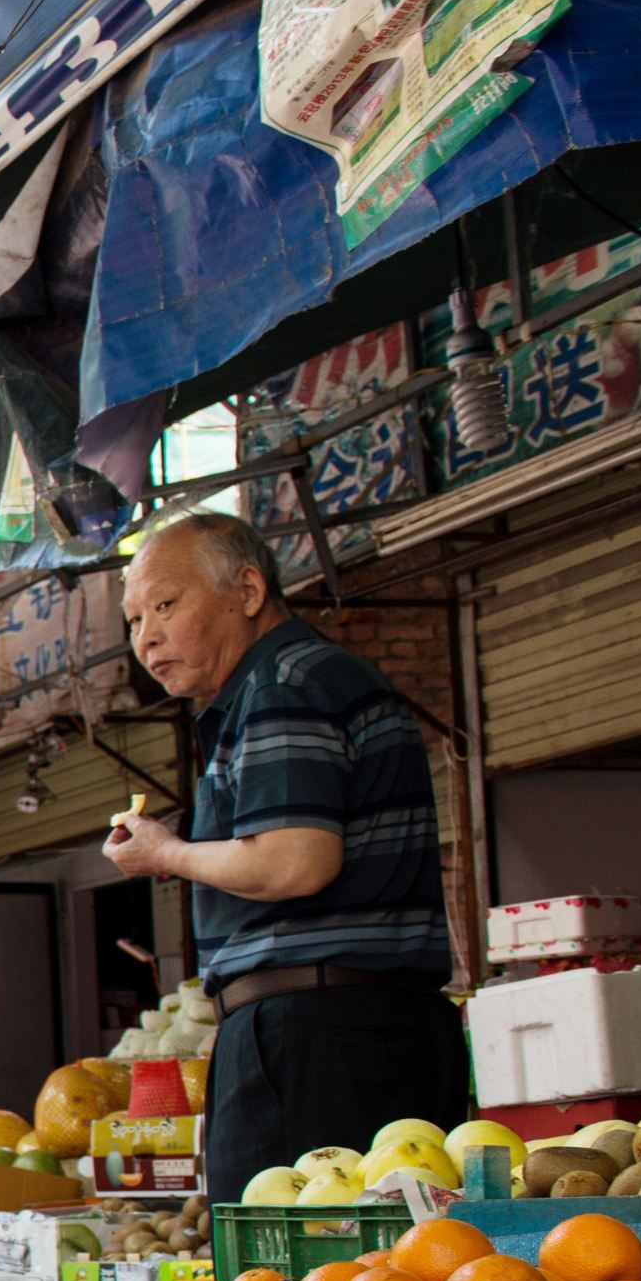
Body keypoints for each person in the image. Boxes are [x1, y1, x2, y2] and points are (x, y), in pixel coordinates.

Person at [103, 510, 464, 1197]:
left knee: (295, 1280)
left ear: (246, 590)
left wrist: (166, 853)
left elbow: (294, 861)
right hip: (365, 1031)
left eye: (166, 605)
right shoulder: (304, 680)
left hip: (320, 1038)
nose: (146, 637)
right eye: (133, 619)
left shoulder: (282, 685)